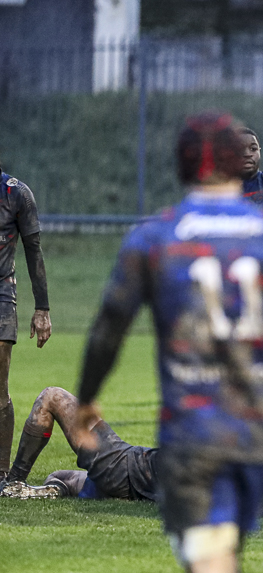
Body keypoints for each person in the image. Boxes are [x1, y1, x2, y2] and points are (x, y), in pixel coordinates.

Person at [72, 112, 263, 573]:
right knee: (224, 555)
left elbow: (109, 327)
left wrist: (89, 397)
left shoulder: (155, 237)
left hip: (191, 430)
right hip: (258, 431)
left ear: (181, 168)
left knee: (209, 567)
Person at [1, 387, 157, 501]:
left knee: (51, 397)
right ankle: (56, 490)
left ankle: (14, 483)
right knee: (58, 477)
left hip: (122, 469)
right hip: (131, 489)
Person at [0, 164, 51, 482]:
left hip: (2, 292)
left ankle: (2, 475)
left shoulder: (16, 194)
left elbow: (34, 251)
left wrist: (42, 308)